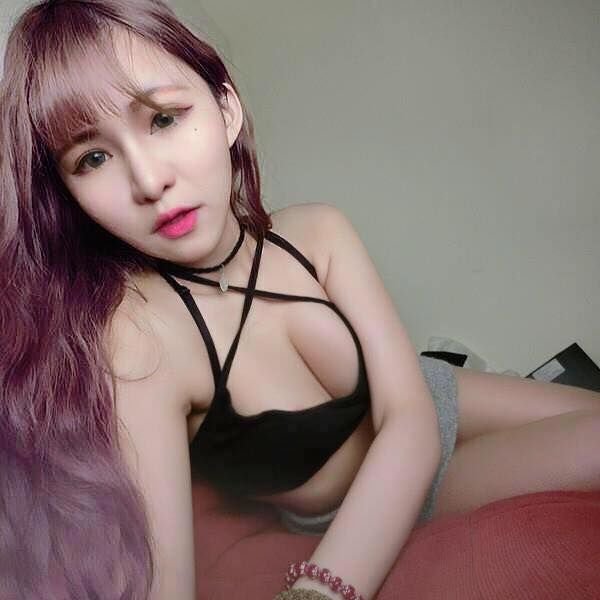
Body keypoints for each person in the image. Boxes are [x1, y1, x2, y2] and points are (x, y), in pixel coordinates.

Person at [1, 1, 599, 599]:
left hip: (431, 396)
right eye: (93, 158)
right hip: (384, 496)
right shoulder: (138, 339)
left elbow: (410, 414)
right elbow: (164, 580)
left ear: (226, 109)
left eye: (163, 119)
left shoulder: (317, 231)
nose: (149, 179)